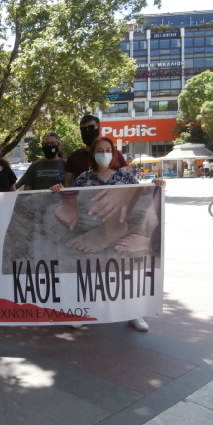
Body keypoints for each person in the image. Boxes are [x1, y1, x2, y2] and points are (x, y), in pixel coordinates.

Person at [52, 136, 156, 333]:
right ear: (92, 154)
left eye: (108, 150)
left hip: (121, 229)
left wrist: (156, 184)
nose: (104, 154)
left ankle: (134, 313)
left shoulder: (125, 176)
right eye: (100, 151)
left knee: (125, 275)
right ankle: (83, 312)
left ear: (114, 152)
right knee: (88, 275)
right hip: (92, 231)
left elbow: (141, 195)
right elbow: (72, 200)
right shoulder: (84, 178)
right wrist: (60, 192)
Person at [64, 114, 127, 187]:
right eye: (83, 129)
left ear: (99, 129)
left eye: (91, 127)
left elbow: (127, 181)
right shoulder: (74, 157)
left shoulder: (115, 154)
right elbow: (67, 186)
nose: (87, 131)